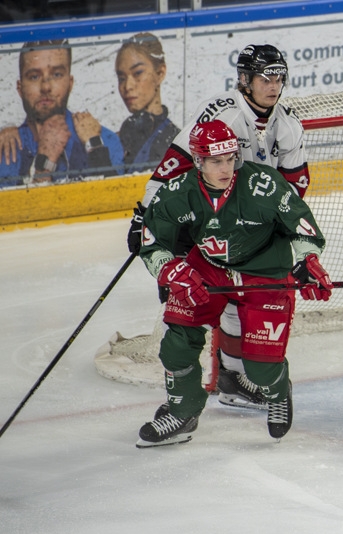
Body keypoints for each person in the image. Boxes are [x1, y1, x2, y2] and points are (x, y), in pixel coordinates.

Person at [126, 43, 311, 410]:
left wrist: (279, 224)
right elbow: (177, 163)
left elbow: (296, 184)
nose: (273, 85)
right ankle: (181, 395)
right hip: (200, 220)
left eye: (279, 76)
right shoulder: (222, 115)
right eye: (264, 76)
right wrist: (144, 214)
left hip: (246, 225)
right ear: (245, 80)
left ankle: (230, 378)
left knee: (237, 301)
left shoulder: (287, 124)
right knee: (183, 306)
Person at [136, 120, 332, 447]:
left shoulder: (263, 185)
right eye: (215, 161)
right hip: (210, 268)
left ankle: (278, 389)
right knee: (177, 339)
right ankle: (182, 411)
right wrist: (169, 269)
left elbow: (301, 228)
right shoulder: (177, 193)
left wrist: (308, 260)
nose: (226, 168)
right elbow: (153, 243)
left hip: (266, 271)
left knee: (260, 371)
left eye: (230, 158)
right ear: (198, 161)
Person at [0, 39, 124, 187]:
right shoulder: (5, 150)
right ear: (20, 88)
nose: (46, 86)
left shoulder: (105, 141)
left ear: (70, 83)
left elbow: (120, 205)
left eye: (57, 74)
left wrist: (95, 147)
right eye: (34, 76)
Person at [115, 32, 180, 174]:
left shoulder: (175, 144)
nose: (128, 86)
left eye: (138, 73)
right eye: (121, 78)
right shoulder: (120, 138)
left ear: (160, 73)